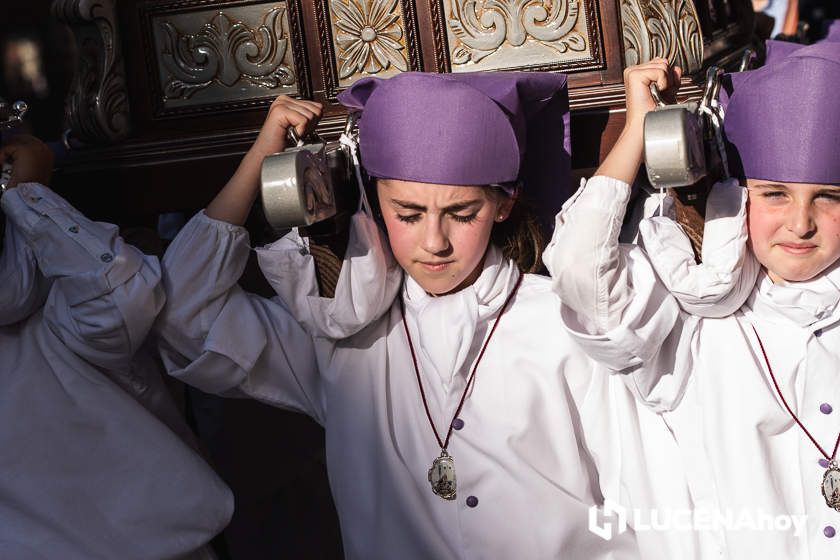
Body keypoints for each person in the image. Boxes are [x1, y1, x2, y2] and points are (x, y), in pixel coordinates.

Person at [155, 71, 641, 559]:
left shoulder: (566, 323)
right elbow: (185, 313)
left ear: (502, 204)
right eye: (408, 215)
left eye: (461, 213)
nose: (434, 242)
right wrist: (264, 159)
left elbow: (636, 492)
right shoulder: (340, 342)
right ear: (372, 203)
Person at [546, 42, 840, 558]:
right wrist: (639, 128)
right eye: (775, 194)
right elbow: (578, 269)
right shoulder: (695, 322)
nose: (801, 223)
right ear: (740, 196)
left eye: (830, 196)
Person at [0, 135, 233, 559]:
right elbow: (122, 296)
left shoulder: (55, 308)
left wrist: (26, 199)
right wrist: (29, 197)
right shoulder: (56, 307)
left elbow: (119, 298)